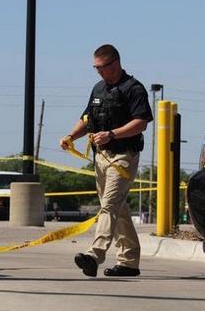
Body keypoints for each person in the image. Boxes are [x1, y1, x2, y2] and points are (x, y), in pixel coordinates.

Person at [60, 44, 153, 278]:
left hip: (123, 157)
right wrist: (71, 136)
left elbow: (141, 122)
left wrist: (112, 134)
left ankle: (94, 255)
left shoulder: (134, 88)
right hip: (101, 158)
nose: (99, 72)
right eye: (96, 68)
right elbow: (87, 118)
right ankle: (129, 262)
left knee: (109, 206)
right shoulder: (98, 88)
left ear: (115, 64)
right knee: (118, 209)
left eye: (101, 68)